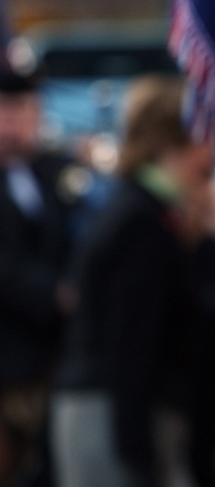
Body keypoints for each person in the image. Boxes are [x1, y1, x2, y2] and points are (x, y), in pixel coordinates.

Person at [51, 75, 215, 487]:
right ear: (171, 146)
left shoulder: (139, 210)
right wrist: (136, 449)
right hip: (113, 415)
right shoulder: (142, 222)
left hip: (116, 409)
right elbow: (131, 339)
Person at [0, 42, 84, 487]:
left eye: (24, 113)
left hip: (52, 358)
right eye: (6, 114)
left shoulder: (54, 172)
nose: (15, 126)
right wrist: (55, 294)